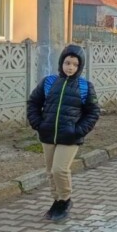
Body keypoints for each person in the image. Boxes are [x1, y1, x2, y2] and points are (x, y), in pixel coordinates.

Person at [26, 45, 100, 222]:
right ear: (61, 62)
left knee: (60, 169)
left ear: (79, 67)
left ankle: (65, 200)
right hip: (48, 134)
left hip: (70, 138)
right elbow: (33, 103)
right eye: (67, 62)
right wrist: (38, 124)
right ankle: (57, 200)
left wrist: (78, 131)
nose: (70, 67)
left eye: (75, 64)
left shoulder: (85, 87)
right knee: (51, 172)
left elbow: (93, 112)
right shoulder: (49, 82)